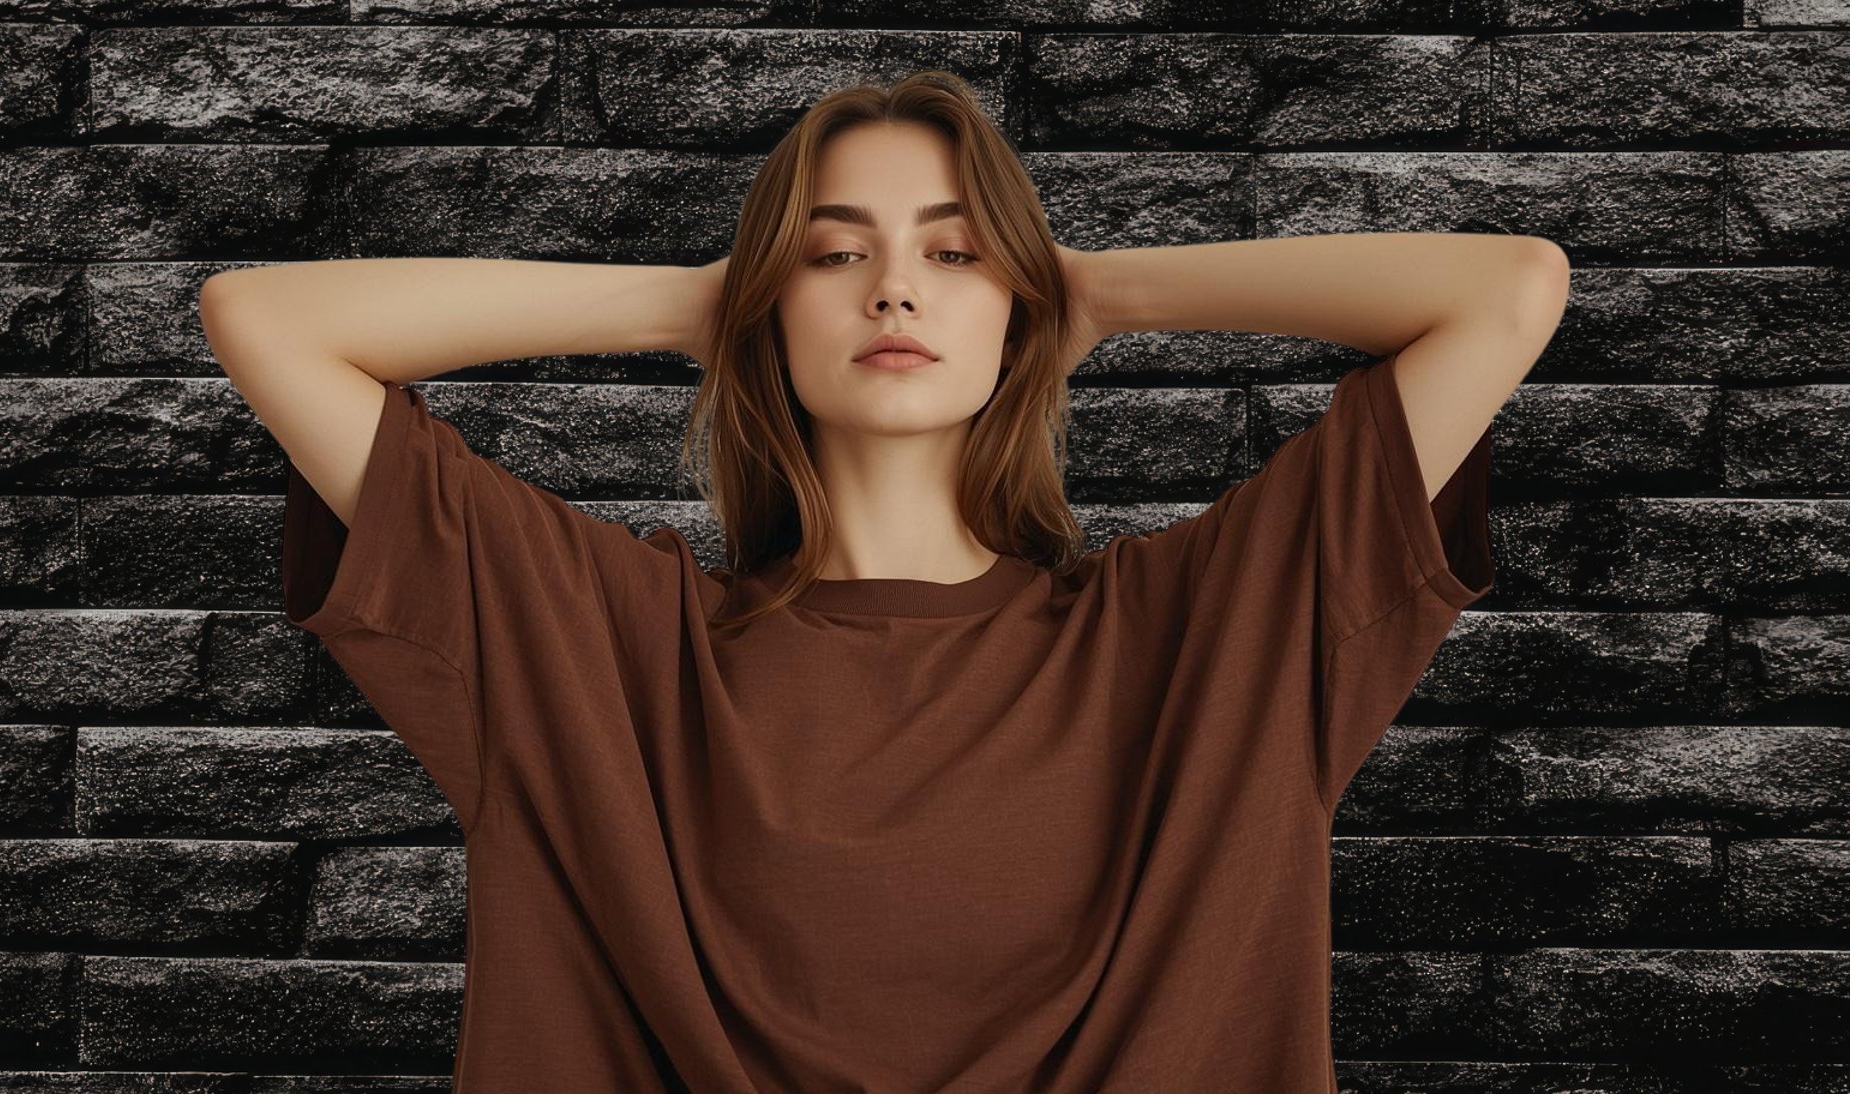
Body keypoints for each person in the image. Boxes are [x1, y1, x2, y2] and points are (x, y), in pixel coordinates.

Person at [200, 69, 1563, 1094]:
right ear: (770, 304)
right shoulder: (605, 644)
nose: (895, 291)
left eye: (955, 253)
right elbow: (268, 320)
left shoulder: (1207, 631)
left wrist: (1098, 291)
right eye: (834, 252)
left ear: (1017, 306)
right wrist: (694, 302)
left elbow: (1507, 290)